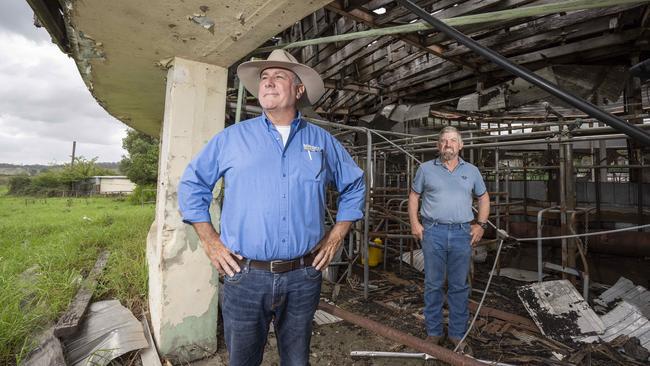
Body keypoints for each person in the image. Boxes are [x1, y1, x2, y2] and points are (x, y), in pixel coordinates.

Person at [178, 49, 365, 366]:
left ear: (298, 89)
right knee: (243, 361)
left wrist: (336, 237)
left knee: (297, 360)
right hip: (245, 275)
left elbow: (355, 185)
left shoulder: (321, 141)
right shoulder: (232, 139)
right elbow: (192, 184)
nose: (268, 82)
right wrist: (210, 240)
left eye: (279, 76)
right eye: (264, 77)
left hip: (304, 275)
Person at [407, 126, 490, 353]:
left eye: (453, 141)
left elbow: (483, 198)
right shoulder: (425, 169)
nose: (448, 145)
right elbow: (414, 197)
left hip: (462, 233)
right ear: (438, 145)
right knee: (433, 284)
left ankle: (456, 334)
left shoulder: (471, 171)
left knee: (458, 285)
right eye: (444, 141)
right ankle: (434, 333)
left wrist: (480, 225)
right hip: (433, 232)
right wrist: (415, 223)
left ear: (460, 145)